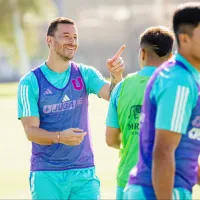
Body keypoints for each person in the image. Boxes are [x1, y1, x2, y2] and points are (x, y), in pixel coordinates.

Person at [17, 17, 125, 199]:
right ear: (50, 40)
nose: (72, 42)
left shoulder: (85, 73)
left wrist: (116, 76)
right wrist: (59, 137)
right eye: (66, 36)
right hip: (46, 174)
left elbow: (114, 97)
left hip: (84, 173)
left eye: (75, 37)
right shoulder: (30, 82)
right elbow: (31, 132)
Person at [125, 2, 200, 200]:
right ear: (184, 38)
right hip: (158, 192)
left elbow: (183, 149)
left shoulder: (186, 77)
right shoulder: (179, 81)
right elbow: (164, 151)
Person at [105, 26, 174, 200]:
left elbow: (110, 139)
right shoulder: (177, 87)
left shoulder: (121, 87)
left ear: (142, 53)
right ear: (171, 57)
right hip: (164, 182)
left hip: (126, 181)